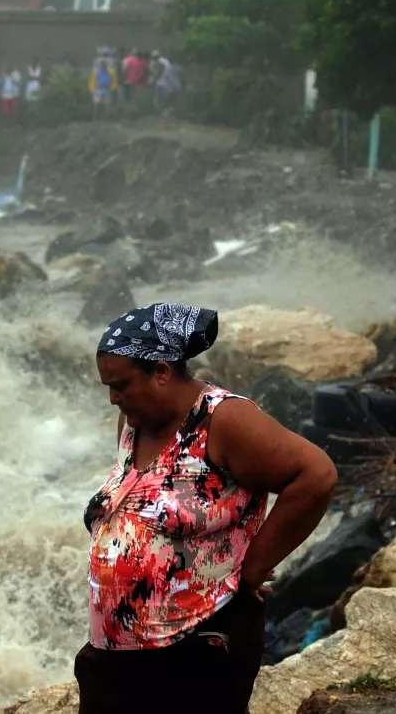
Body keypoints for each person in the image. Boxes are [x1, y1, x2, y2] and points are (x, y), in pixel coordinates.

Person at [78, 304, 338, 714]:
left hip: (197, 646)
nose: (113, 399)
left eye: (121, 385)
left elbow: (315, 475)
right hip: (116, 652)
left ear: (161, 372)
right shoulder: (134, 423)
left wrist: (255, 564)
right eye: (107, 387)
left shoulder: (224, 420)